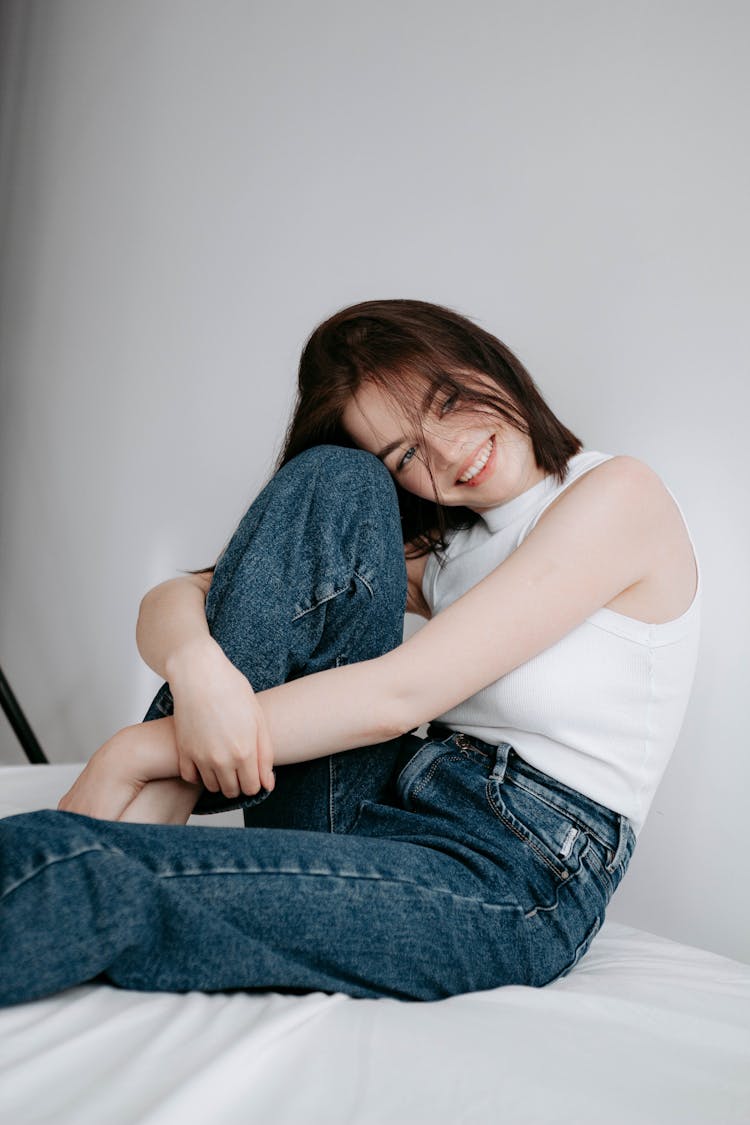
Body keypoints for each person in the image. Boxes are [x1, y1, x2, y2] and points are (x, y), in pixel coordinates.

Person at [0, 299, 700, 1007]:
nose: (448, 451)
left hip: (512, 874)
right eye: (405, 456)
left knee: (84, 871)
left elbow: (398, 695)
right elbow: (179, 596)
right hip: (391, 793)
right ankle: (161, 808)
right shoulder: (450, 551)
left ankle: (131, 824)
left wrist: (136, 750)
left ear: (482, 356)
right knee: (333, 479)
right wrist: (198, 671)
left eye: (447, 400)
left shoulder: (619, 496)